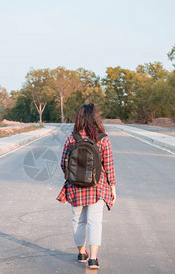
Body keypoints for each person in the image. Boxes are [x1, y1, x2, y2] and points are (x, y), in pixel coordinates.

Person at [56, 103, 116, 269]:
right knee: (95, 222)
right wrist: (112, 188)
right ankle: (94, 259)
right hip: (97, 187)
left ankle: (82, 253)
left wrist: (74, 180)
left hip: (75, 188)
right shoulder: (103, 139)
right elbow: (109, 167)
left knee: (78, 221)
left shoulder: (71, 138)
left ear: (79, 119)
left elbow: (63, 164)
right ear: (96, 118)